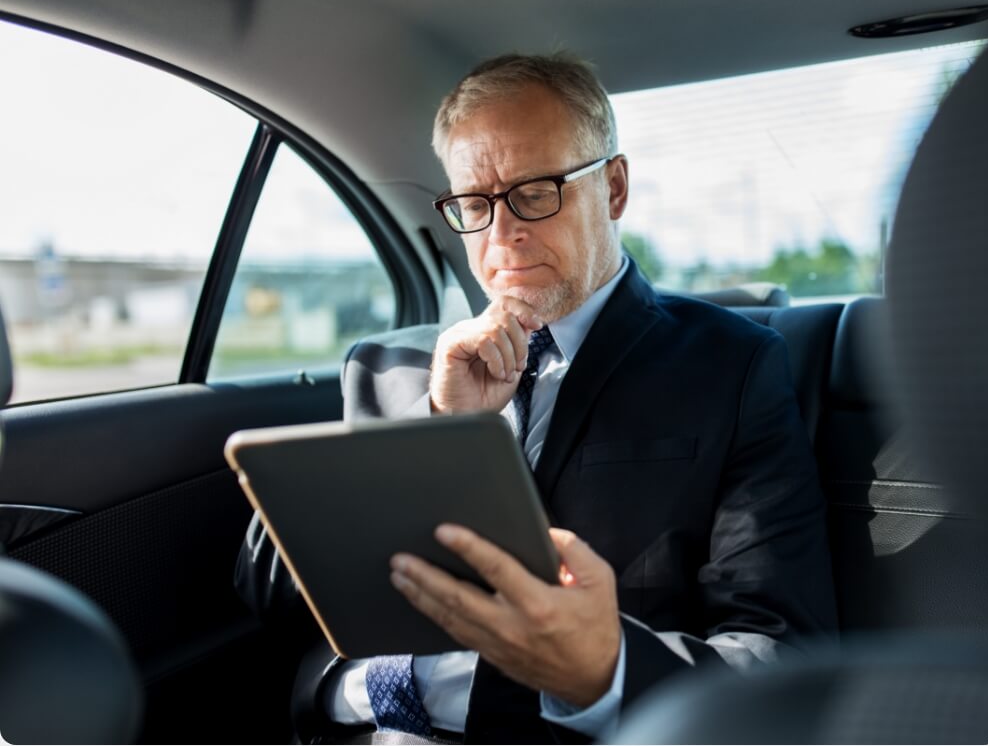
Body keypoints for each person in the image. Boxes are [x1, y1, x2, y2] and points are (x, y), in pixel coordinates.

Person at [236, 53, 837, 743]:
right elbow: (269, 590)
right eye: (475, 204)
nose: (501, 235)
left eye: (535, 192)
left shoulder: (732, 367)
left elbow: (778, 656)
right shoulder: (384, 369)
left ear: (613, 189)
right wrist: (437, 426)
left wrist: (601, 668)